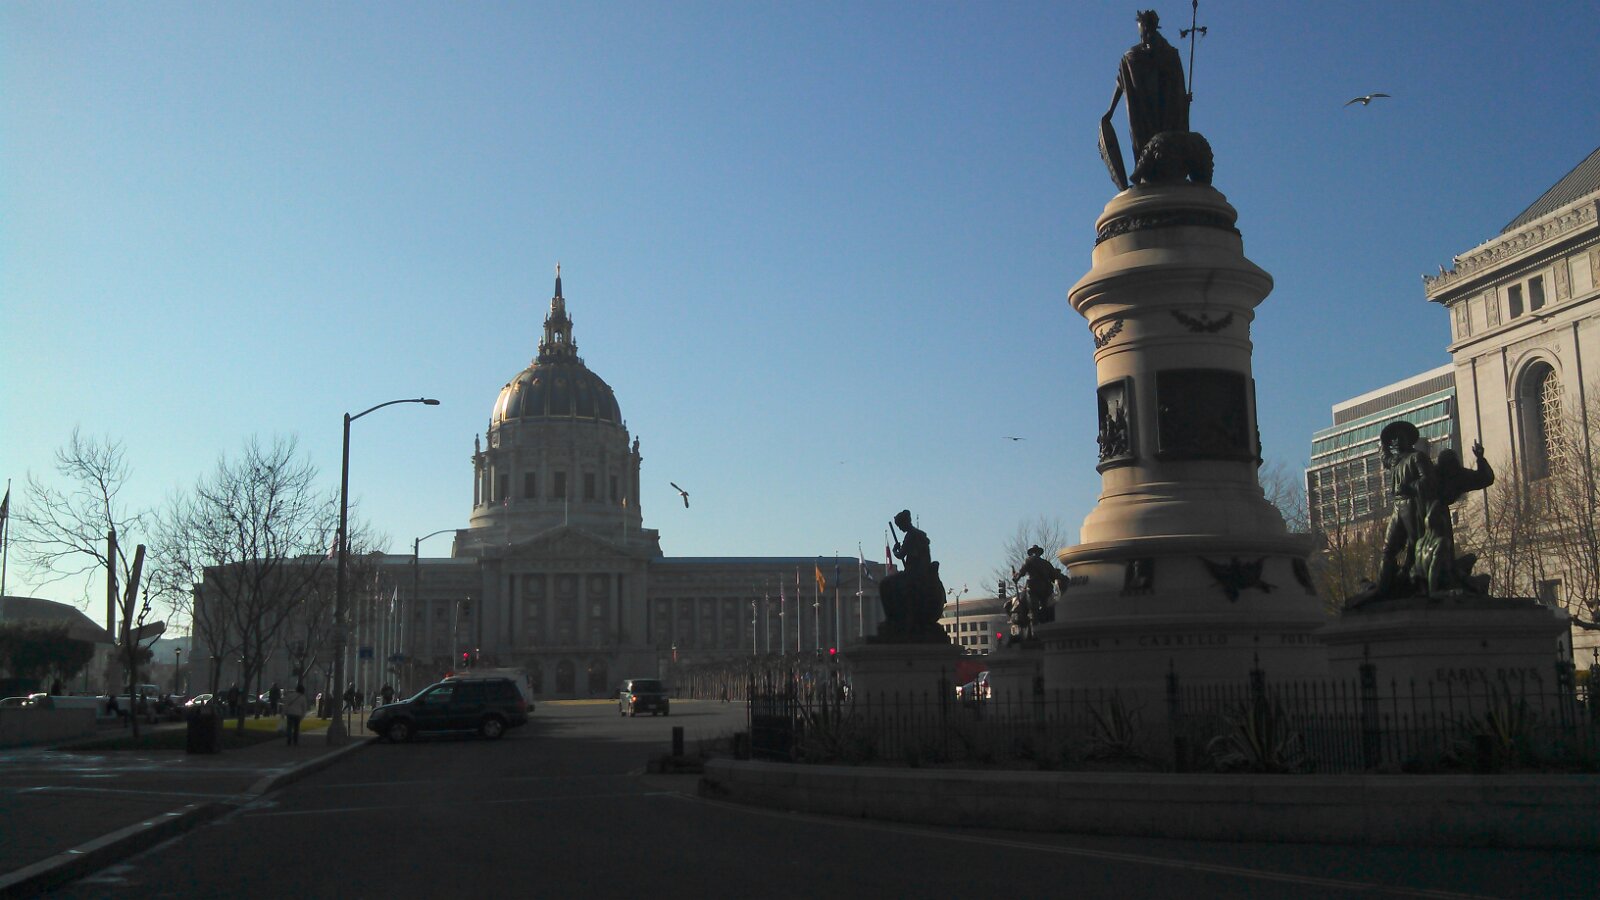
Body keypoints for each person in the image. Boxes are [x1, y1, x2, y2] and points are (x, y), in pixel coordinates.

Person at [1101, 9, 1190, 186]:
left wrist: (1183, 100)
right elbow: (1121, 81)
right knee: (1144, 145)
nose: (1139, 31)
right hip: (1142, 115)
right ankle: (1145, 174)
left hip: (1163, 113)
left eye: (1140, 27)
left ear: (1146, 27)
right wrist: (1110, 110)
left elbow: (1178, 85)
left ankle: (1160, 172)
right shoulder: (1133, 57)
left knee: (1161, 144)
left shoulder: (1167, 54)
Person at [1372, 421, 1437, 600]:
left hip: (1411, 504)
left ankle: (1419, 581)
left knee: (1415, 543)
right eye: (1393, 439)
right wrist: (1383, 442)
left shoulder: (1417, 457)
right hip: (1397, 506)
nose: (1395, 441)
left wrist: (1411, 486)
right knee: (1388, 547)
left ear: (1408, 439)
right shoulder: (1395, 461)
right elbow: (1384, 457)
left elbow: (1428, 480)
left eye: (1399, 437)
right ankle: (1382, 586)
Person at [1012, 545, 1069, 639]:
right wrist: (1063, 578)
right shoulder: (1046, 563)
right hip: (1045, 590)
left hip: (1033, 589)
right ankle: (1044, 630)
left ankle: (1034, 633)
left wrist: (1016, 578)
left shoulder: (1028, 560)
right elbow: (1054, 576)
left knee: (1033, 611)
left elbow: (1021, 572)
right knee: (1045, 610)